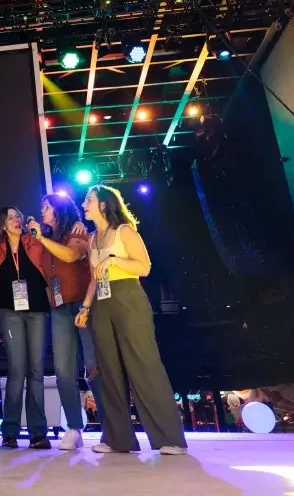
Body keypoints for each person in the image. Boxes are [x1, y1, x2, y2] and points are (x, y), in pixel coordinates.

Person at [76, 184, 187, 455]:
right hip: (101, 305)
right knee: (109, 372)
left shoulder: (124, 231)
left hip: (128, 298)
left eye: (88, 200)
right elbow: (93, 278)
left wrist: (114, 260)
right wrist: (85, 307)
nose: (84, 204)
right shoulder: (92, 239)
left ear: (103, 204)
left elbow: (144, 266)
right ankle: (118, 439)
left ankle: (170, 439)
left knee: (143, 364)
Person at [0, 206, 55, 450]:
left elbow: (53, 246)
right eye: (11, 217)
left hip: (37, 311)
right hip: (8, 311)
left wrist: (40, 230)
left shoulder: (34, 241)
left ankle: (37, 432)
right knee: (17, 369)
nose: (16, 220)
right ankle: (10, 431)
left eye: (19, 216)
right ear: (3, 223)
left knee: (35, 371)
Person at [34, 192, 101, 450]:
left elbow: (72, 256)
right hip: (59, 308)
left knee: (94, 367)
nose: (42, 211)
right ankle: (74, 427)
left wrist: (41, 238)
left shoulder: (78, 231)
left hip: (84, 305)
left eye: (46, 207)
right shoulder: (46, 238)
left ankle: (112, 426)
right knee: (63, 371)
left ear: (59, 210)